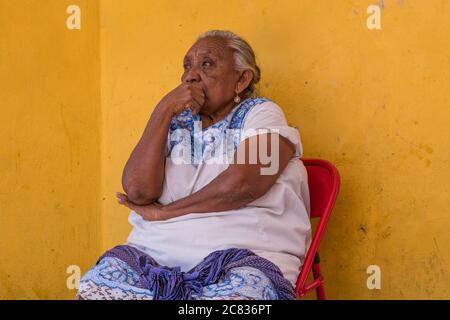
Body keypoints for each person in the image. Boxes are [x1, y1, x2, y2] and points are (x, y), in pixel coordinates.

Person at [76, 30, 311, 300]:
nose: (191, 75)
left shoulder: (262, 114)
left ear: (242, 79)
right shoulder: (177, 124)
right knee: (95, 287)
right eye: (187, 66)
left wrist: (165, 213)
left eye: (207, 64)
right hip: (156, 254)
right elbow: (138, 192)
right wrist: (163, 110)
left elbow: (244, 185)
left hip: (243, 253)